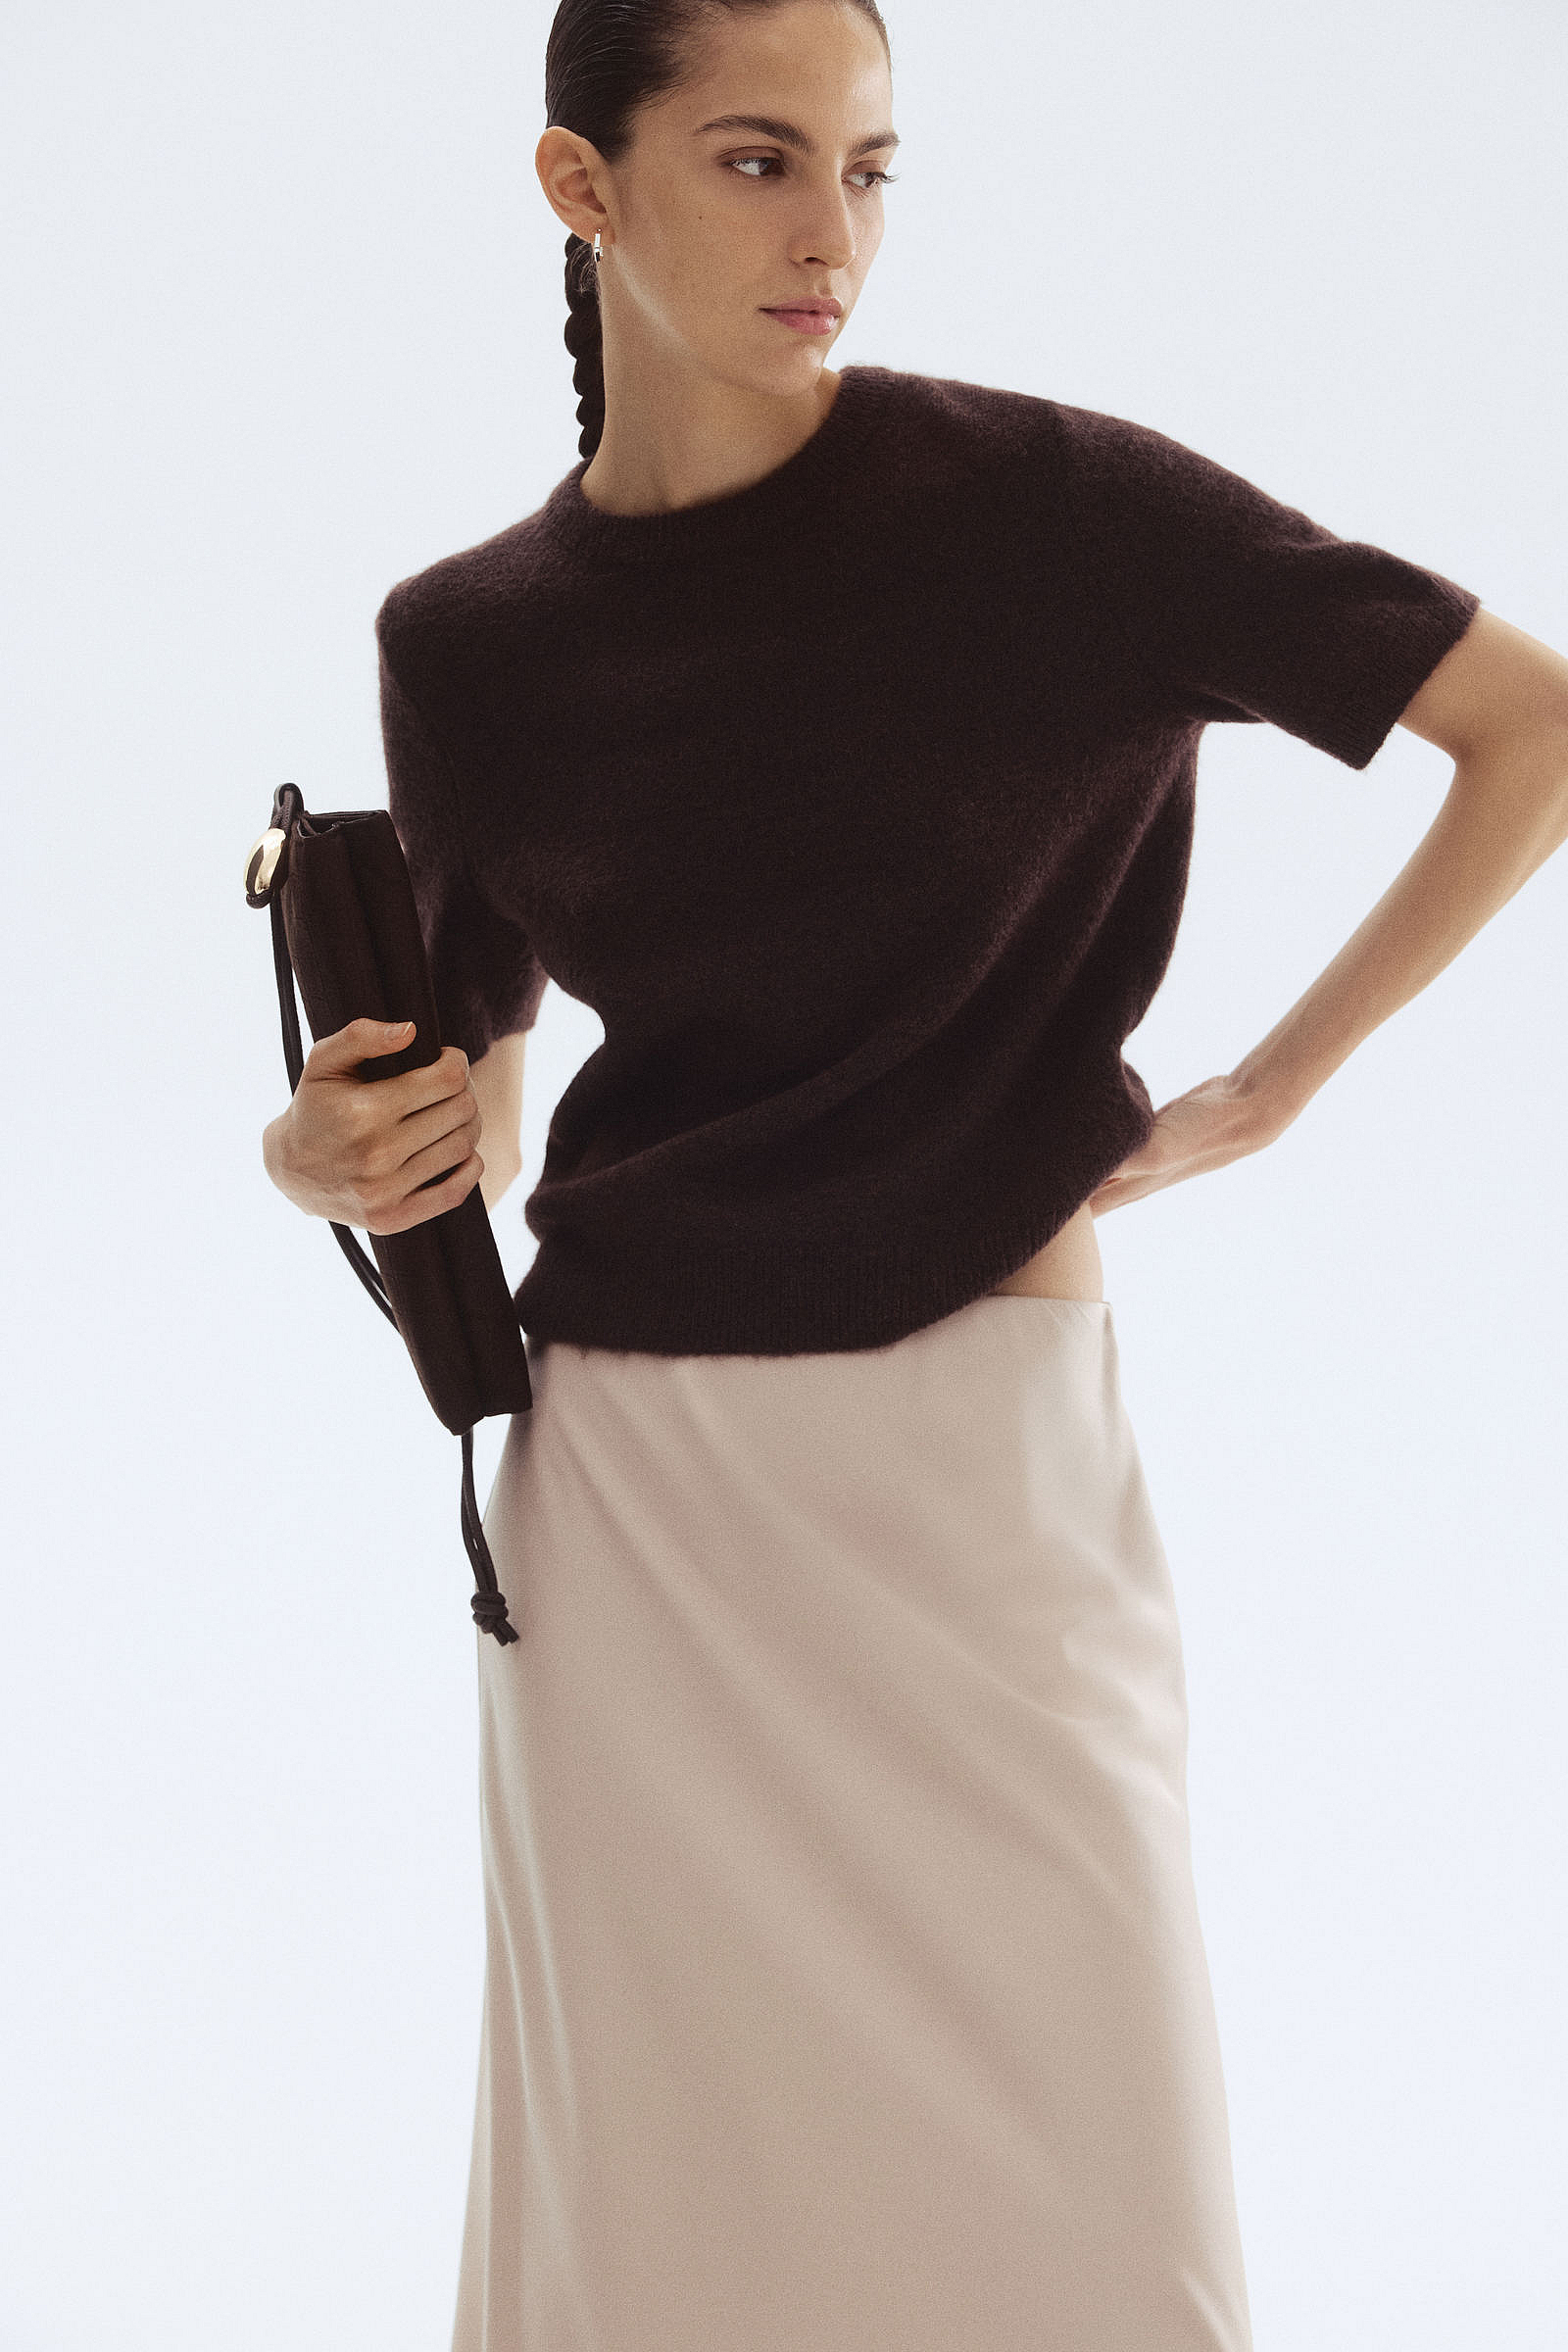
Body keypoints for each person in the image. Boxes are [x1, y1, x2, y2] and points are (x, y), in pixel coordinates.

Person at [260, 2, 1568, 2344]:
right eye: (759, 160)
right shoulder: (466, 643)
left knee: (1094, 2203)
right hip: (632, 1496)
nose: (831, 234)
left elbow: (1528, 725)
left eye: (869, 170)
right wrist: (326, 1151)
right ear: (581, 185)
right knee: (658, 2194)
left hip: (981, 1453)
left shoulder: (1059, 508)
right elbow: (478, 1095)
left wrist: (1277, 1083)